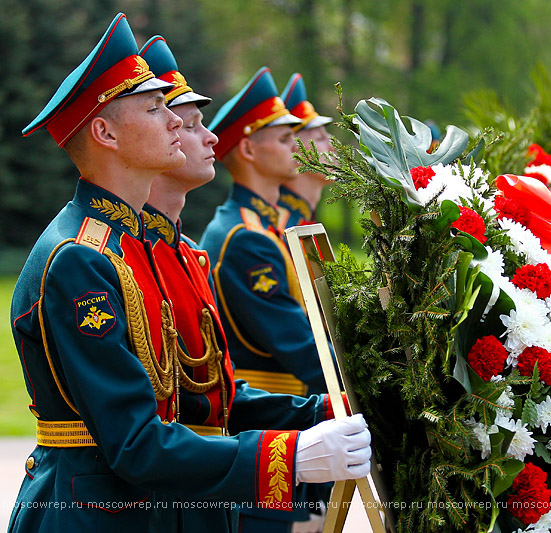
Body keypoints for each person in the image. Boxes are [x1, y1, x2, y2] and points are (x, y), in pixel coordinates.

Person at [8, 14, 370, 533]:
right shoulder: (80, 258)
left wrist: (317, 415)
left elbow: (203, 399)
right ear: (105, 132)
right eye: (156, 109)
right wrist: (286, 458)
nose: (178, 121)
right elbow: (135, 443)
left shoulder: (148, 246)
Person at [138, 36, 333, 532]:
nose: (201, 137)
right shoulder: (241, 237)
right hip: (239, 444)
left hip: (258, 429)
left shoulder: (210, 240)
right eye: (179, 120)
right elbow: (299, 345)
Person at [200, 66, 333, 533]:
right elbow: (297, 341)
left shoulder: (265, 230)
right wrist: (356, 387)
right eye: (282, 138)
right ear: (251, 150)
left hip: (293, 412)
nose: (296, 145)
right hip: (270, 417)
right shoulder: (243, 237)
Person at [277, 73, 334, 231]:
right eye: (320, 138)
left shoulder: (303, 221)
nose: (333, 147)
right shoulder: (284, 229)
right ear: (294, 151)